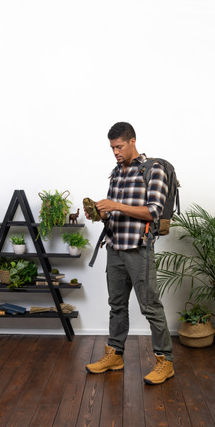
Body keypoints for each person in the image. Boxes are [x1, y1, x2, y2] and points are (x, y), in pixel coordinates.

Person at [85, 121, 174, 385]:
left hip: (139, 247)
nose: (115, 152)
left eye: (119, 146)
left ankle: (165, 361)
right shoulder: (116, 172)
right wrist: (102, 213)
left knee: (150, 306)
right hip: (114, 247)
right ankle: (114, 355)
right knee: (116, 306)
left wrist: (116, 205)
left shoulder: (153, 170)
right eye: (112, 148)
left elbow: (153, 211)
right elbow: (114, 212)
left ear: (132, 141)